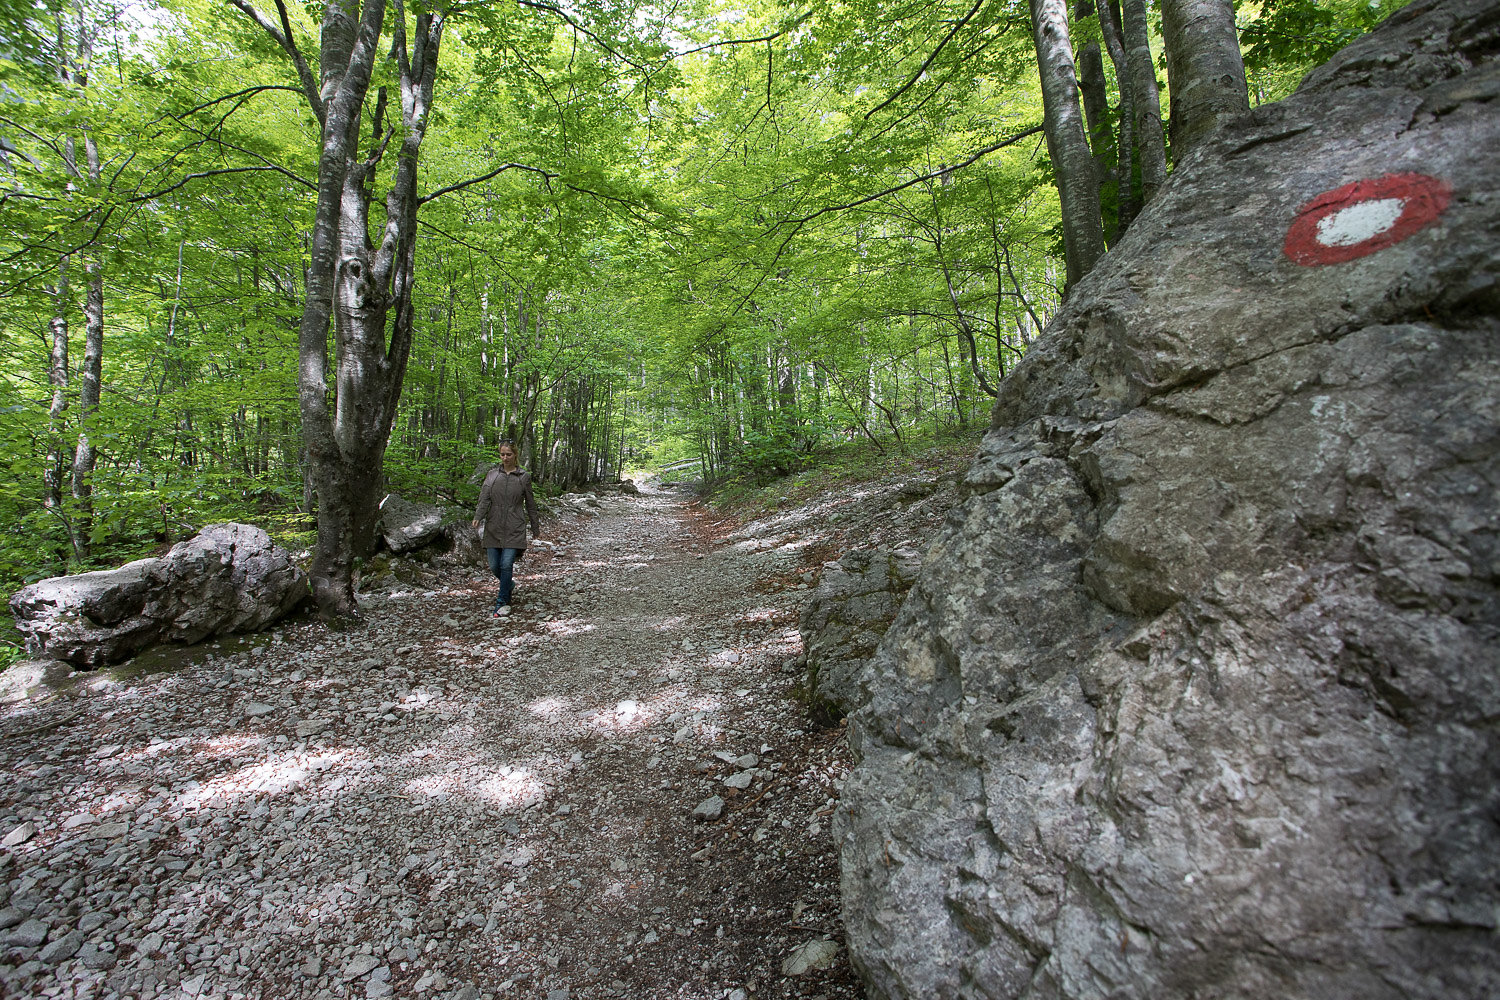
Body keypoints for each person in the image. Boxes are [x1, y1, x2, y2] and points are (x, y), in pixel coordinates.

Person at [472, 441, 540, 617]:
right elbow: (484, 498)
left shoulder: (523, 477)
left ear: (515, 455)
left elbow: (531, 504)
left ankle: (501, 602)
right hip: (493, 526)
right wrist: (478, 516)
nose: (505, 458)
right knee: (495, 566)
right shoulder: (492, 475)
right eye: (502, 454)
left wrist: (535, 526)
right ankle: (508, 585)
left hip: (514, 527)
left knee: (506, 564)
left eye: (508, 454)